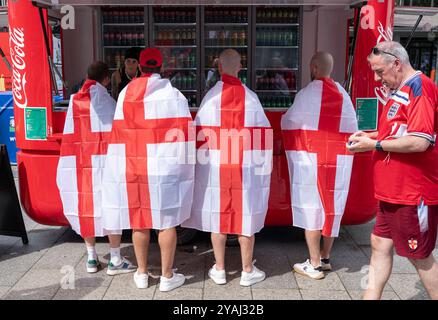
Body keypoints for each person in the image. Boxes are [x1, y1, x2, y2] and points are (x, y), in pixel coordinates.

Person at [347, 40, 438, 300]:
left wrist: (374, 143)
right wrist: (371, 135)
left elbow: (420, 141)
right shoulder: (403, 90)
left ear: (397, 63)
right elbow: (398, 132)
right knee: (379, 244)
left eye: (380, 72)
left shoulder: (420, 89)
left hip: (411, 194)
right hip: (393, 192)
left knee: (419, 256)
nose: (378, 79)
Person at [101, 48, 195, 292]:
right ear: (161, 67)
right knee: (167, 221)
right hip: (164, 168)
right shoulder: (174, 95)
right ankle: (166, 276)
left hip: (134, 165)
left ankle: (142, 273)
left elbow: (118, 132)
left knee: (139, 220)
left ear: (140, 67)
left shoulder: (125, 94)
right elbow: (186, 134)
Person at [182, 49, 273, 287]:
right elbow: (263, 138)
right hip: (244, 167)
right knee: (246, 216)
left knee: (217, 216)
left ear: (219, 67)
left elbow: (199, 135)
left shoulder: (210, 98)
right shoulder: (251, 98)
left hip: (216, 168)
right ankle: (247, 270)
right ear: (239, 68)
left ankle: (220, 269)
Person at [281, 52, 358, 280]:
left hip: (311, 161)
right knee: (331, 207)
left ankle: (313, 264)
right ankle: (325, 257)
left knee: (311, 207)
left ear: (314, 68)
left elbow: (290, 121)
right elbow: (352, 127)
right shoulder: (344, 95)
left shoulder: (305, 95)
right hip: (337, 162)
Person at [56, 61, 136, 275]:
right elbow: (119, 130)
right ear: (107, 79)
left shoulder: (74, 100)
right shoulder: (107, 100)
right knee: (112, 205)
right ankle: (116, 259)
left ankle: (91, 257)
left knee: (85, 206)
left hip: (81, 163)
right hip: (105, 163)